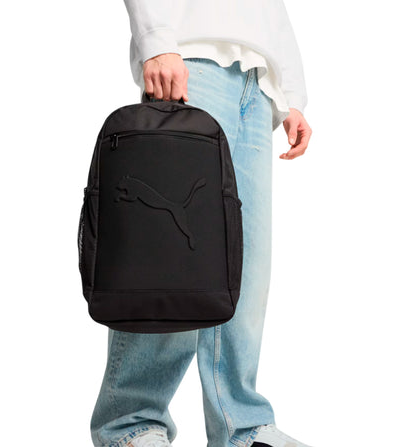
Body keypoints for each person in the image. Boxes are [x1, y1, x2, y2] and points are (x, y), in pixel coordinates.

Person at [90, 2, 313, 447]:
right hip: (191, 61)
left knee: (244, 267)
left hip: (258, 85)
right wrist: (156, 40)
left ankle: (241, 428)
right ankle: (130, 424)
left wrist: (290, 93)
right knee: (172, 260)